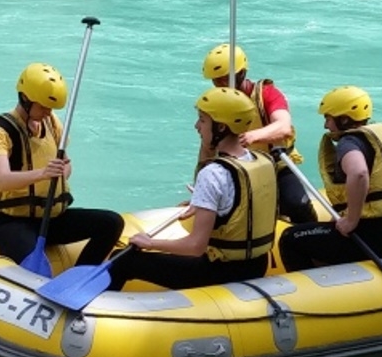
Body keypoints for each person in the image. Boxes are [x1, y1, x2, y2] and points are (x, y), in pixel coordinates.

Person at [107, 87, 279, 290]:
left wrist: (150, 244)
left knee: (122, 259)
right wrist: (204, 203)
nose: (197, 126)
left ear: (221, 127)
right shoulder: (262, 161)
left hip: (219, 272)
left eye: (202, 120)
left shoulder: (213, 173)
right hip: (257, 265)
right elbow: (241, 206)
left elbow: (195, 247)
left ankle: (87, 317)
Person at [0, 63, 124, 268]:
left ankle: (76, 278)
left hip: (51, 219)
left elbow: (66, 165)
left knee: (111, 223)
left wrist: (65, 170)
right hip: (11, 223)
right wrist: (43, 173)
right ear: (25, 99)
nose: (48, 112)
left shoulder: (51, 123)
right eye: (43, 107)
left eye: (51, 108)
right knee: (38, 268)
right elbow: (3, 180)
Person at [277, 86, 382, 272]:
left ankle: (311, 296)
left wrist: (351, 221)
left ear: (344, 119)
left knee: (291, 238)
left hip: (374, 239)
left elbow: (359, 173)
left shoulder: (349, 143)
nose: (326, 126)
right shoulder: (381, 138)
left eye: (328, 118)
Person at [200, 43, 315, 224]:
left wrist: (253, 136)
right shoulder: (219, 104)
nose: (220, 84)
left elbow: (284, 126)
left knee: (297, 205)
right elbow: (207, 148)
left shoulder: (267, 94)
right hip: (238, 170)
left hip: (275, 165)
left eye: (224, 79)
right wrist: (199, 191)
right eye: (216, 80)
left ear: (241, 74)